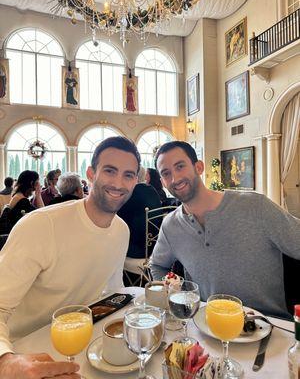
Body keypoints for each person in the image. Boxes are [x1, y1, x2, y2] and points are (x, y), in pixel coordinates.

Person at [0, 136, 140, 379]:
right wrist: (6, 362)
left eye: (128, 175)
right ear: (91, 174)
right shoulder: (41, 225)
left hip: (83, 349)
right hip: (21, 354)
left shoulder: (121, 230)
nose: (119, 183)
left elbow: (112, 293)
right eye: (110, 171)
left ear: (136, 181)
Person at [150, 141, 300, 319]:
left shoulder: (256, 206)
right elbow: (158, 265)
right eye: (166, 173)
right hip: (208, 327)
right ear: (162, 182)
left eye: (180, 166)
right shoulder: (170, 226)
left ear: (199, 167)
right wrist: (177, 296)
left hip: (269, 327)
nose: (175, 178)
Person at [118, 167, 161, 258]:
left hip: (137, 249)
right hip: (154, 246)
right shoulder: (151, 190)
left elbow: (118, 219)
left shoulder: (132, 193)